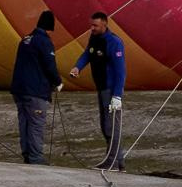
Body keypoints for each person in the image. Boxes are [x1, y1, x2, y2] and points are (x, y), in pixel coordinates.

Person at [69, 11, 127, 171]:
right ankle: (118, 161)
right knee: (105, 125)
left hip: (111, 90)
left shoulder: (114, 42)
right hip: (101, 88)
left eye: (95, 25)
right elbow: (88, 53)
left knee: (111, 126)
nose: (92, 28)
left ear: (105, 24)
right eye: (91, 25)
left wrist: (117, 96)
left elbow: (121, 71)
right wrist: (77, 67)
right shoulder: (94, 38)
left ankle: (112, 162)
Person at [9, 10, 62, 164]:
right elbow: (50, 65)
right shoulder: (44, 41)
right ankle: (36, 157)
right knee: (36, 124)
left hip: (19, 89)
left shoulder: (25, 39)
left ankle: (27, 154)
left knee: (24, 122)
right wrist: (58, 82)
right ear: (51, 26)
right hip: (35, 91)